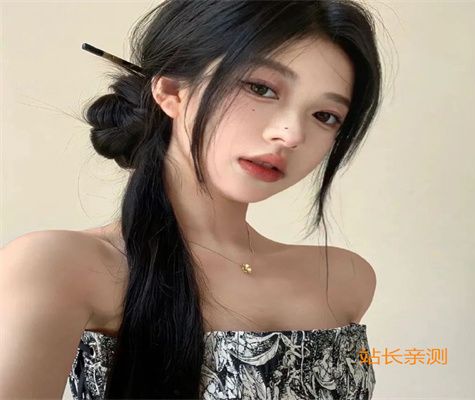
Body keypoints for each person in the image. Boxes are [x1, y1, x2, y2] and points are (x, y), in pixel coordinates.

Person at [0, 0, 383, 398]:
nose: (290, 134)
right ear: (172, 90)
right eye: (261, 88)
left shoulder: (344, 279)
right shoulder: (58, 266)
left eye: (325, 116)